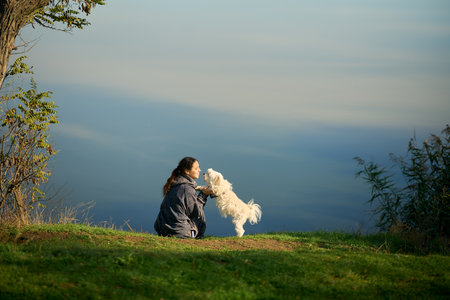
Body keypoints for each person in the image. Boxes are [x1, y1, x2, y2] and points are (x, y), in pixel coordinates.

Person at [154, 157, 213, 239]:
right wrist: (203, 195)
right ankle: (196, 237)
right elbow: (195, 213)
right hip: (179, 232)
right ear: (187, 171)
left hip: (163, 230)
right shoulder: (187, 189)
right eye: (196, 168)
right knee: (199, 218)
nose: (199, 170)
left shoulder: (175, 184)